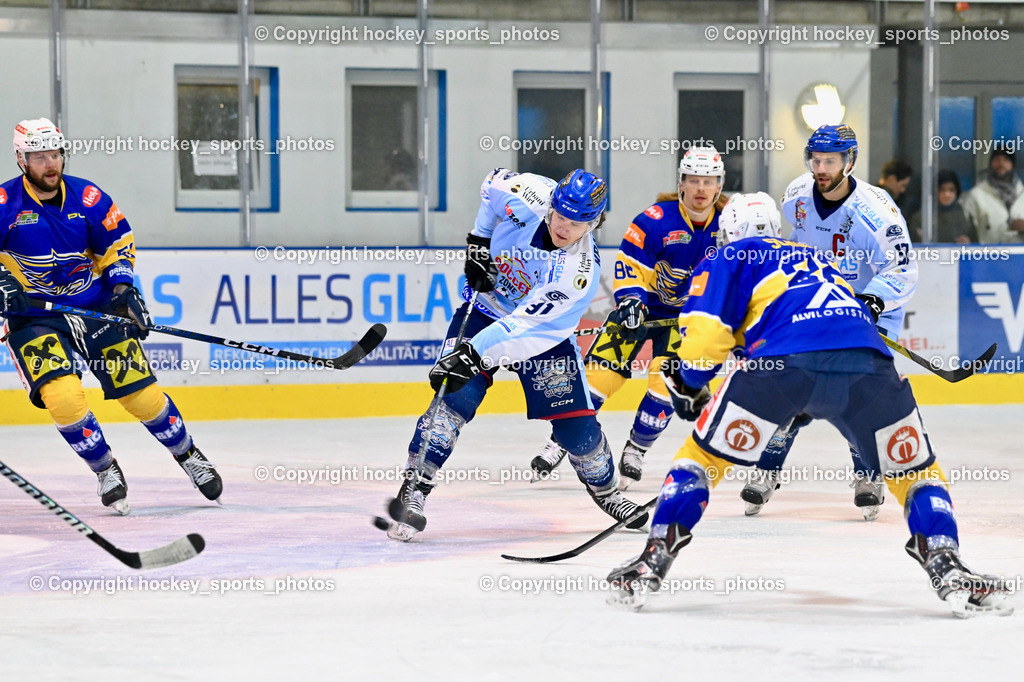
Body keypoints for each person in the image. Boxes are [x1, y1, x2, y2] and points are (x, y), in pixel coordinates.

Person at [606, 193, 1012, 618]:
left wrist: (688, 383)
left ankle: (653, 559)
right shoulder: (815, 259)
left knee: (701, 459)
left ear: (728, 233)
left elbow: (707, 337)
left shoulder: (732, 255)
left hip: (779, 366)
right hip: (867, 365)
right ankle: (948, 564)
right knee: (917, 474)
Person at [382, 167, 649, 541]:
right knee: (453, 399)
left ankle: (607, 491)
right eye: (559, 216)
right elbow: (489, 186)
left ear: (595, 224)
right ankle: (414, 488)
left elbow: (523, 328)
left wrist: (473, 354)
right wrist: (479, 240)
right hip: (487, 308)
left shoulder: (579, 272)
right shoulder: (527, 193)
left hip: (540, 336)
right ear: (552, 202)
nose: (563, 227)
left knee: (577, 430)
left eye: (576, 223)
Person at [0, 117, 222, 515]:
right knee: (63, 398)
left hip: (94, 307)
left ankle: (189, 456)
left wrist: (123, 291)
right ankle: (105, 468)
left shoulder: (87, 198)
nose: (50, 164)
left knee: (143, 395)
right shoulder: (5, 204)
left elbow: (117, 245)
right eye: (39, 156)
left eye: (55, 154)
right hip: (33, 316)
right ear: (21, 160)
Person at [740, 124, 918, 521]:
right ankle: (767, 470)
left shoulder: (878, 212)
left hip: (869, 311)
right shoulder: (798, 195)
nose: (820, 168)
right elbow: (795, 244)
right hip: (818, 305)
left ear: (849, 161)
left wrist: (872, 298)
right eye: (816, 160)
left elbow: (902, 267)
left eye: (830, 161)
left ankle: (869, 476)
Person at [530, 146, 726, 490]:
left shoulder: (729, 226)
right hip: (639, 311)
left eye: (707, 181)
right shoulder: (654, 219)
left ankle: (636, 450)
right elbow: (630, 265)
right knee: (595, 381)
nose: (700, 189)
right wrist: (632, 301)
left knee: (665, 387)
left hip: (686, 323)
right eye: (693, 180)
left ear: (719, 185)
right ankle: (560, 442)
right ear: (680, 183)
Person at [962, 149, 1024, 244]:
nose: (1001, 163)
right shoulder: (976, 195)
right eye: (997, 159)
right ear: (991, 164)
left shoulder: (1022, 194)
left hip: (1020, 255)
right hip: (987, 255)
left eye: (1006, 159)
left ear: (1013, 165)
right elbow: (965, 230)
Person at [909, 169, 978, 244]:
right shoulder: (921, 218)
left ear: (957, 191)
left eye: (951, 190)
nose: (947, 194)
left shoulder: (966, 216)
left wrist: (968, 242)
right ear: (935, 191)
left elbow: (976, 244)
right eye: (942, 190)